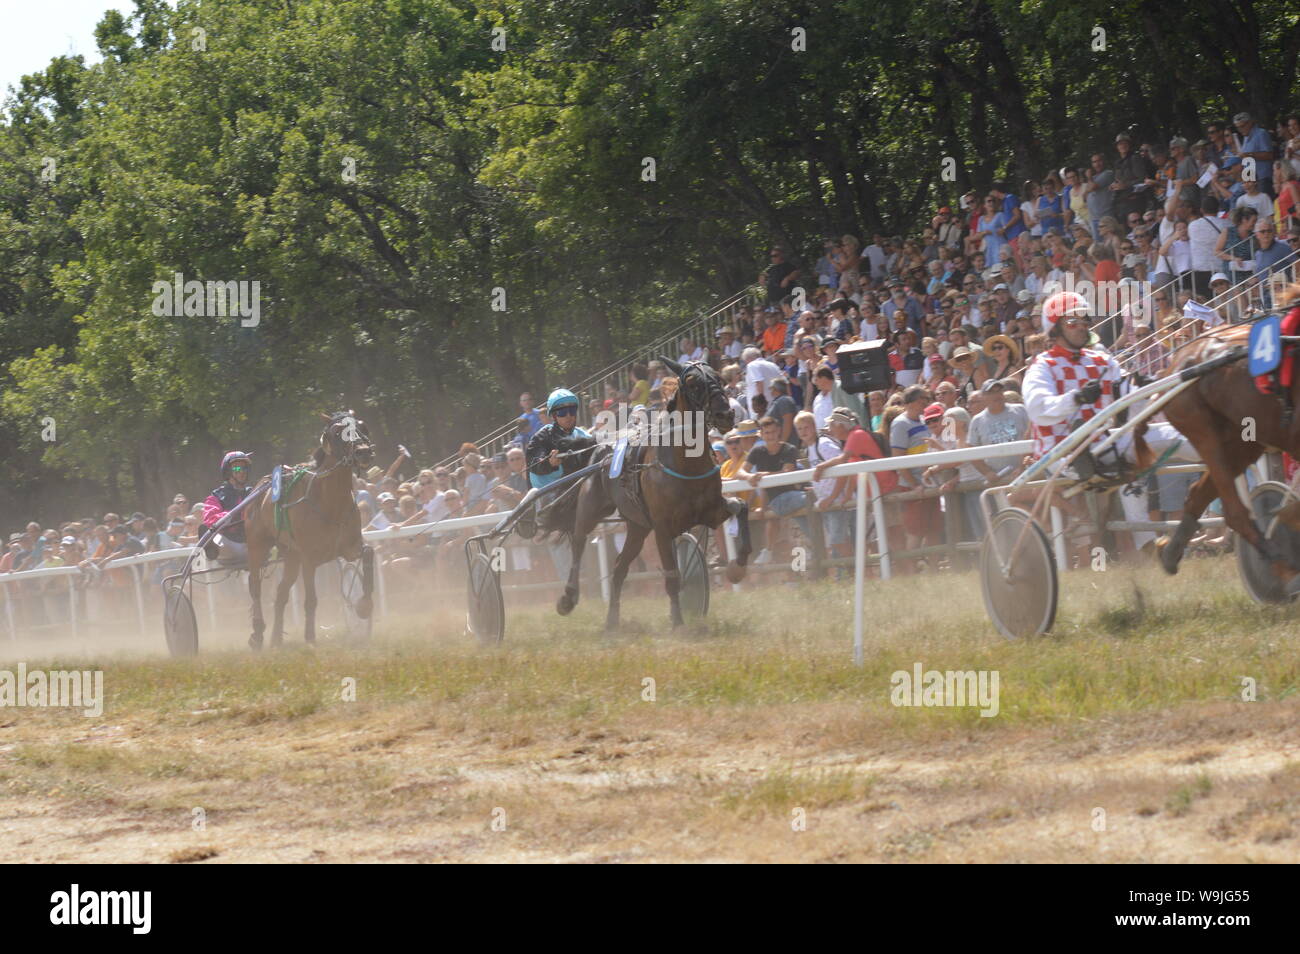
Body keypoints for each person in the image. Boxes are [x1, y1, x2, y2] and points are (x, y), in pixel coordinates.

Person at [1022, 291, 1196, 552]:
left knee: (1173, 435)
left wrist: (1142, 385)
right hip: (1062, 451)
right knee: (1118, 460)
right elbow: (1038, 409)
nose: (1082, 327)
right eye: (1073, 322)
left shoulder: (1102, 360)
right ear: (1055, 328)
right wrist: (1076, 398)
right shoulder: (1041, 367)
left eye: (1085, 321)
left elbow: (1127, 391)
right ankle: (1146, 543)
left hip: (1105, 442)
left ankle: (1151, 546)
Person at [521, 388, 598, 539]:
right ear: (554, 415)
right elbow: (534, 463)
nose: (569, 416)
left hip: (575, 495)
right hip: (546, 496)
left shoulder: (584, 436)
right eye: (563, 412)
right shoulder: (542, 437)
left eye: (572, 411)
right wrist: (549, 463)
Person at [203, 451, 255, 564]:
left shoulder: (254, 493)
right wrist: (234, 513)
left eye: (244, 468)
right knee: (211, 535)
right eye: (237, 469)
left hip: (252, 541)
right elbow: (210, 520)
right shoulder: (216, 496)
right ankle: (210, 549)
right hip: (228, 542)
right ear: (228, 472)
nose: (242, 472)